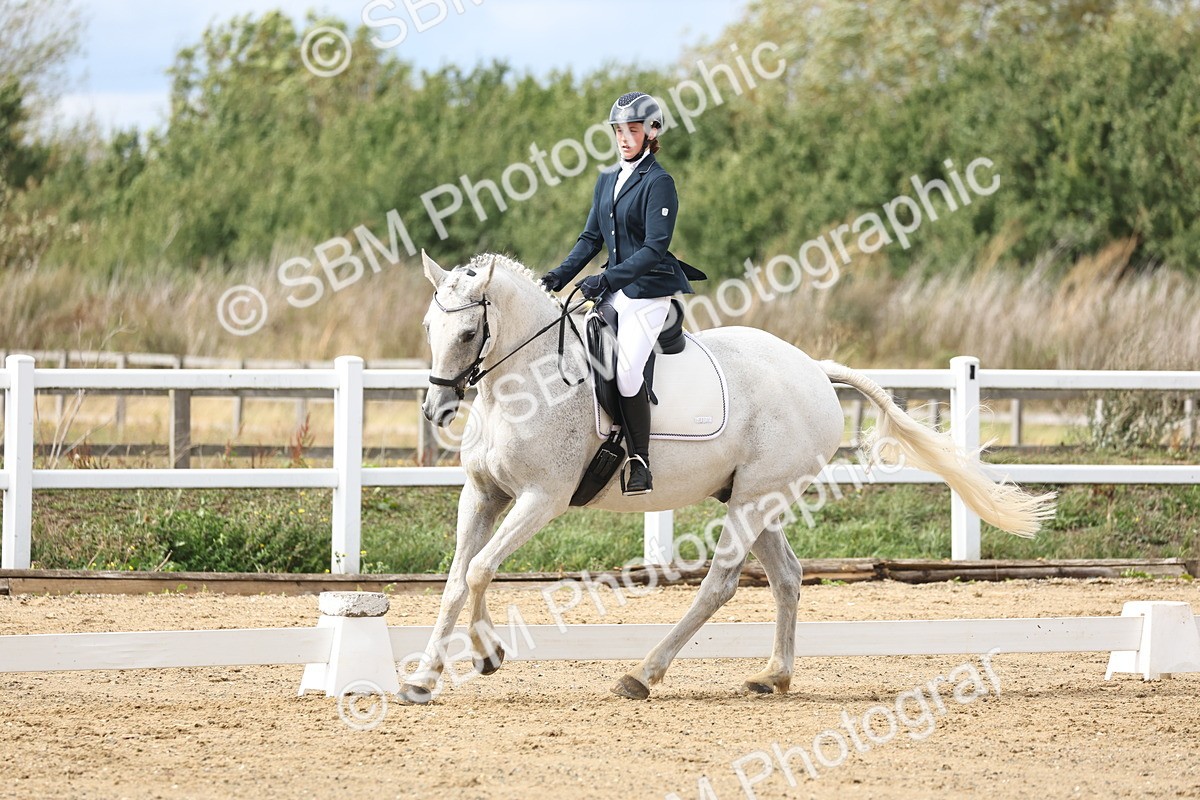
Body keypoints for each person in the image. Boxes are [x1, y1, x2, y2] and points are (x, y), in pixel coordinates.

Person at [539, 91, 704, 496]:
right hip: (614, 288)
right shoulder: (607, 179)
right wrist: (557, 276)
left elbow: (653, 248)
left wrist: (607, 281)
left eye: (632, 129)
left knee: (628, 372)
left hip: (648, 290)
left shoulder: (660, 182)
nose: (624, 137)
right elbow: (591, 238)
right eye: (619, 130)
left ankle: (639, 459)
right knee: (584, 352)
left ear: (651, 132)